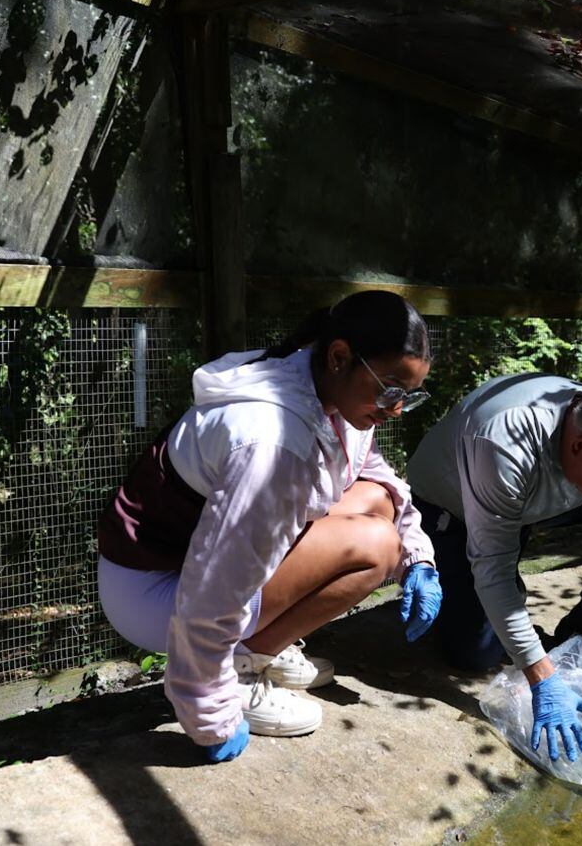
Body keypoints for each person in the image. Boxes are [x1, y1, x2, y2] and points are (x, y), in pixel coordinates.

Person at [95, 291, 443, 763]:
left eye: (408, 395)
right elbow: (214, 588)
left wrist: (418, 556)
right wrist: (209, 714)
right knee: (377, 545)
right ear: (340, 357)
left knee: (379, 504)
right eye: (391, 390)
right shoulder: (273, 440)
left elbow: (377, 475)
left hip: (191, 562)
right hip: (152, 590)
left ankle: (259, 646)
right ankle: (241, 668)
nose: (396, 409)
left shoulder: (326, 386)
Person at [405, 373, 582, 764]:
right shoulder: (505, 440)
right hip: (453, 508)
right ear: (580, 445)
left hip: (539, 497)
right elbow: (493, 569)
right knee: (474, 653)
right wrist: (543, 677)